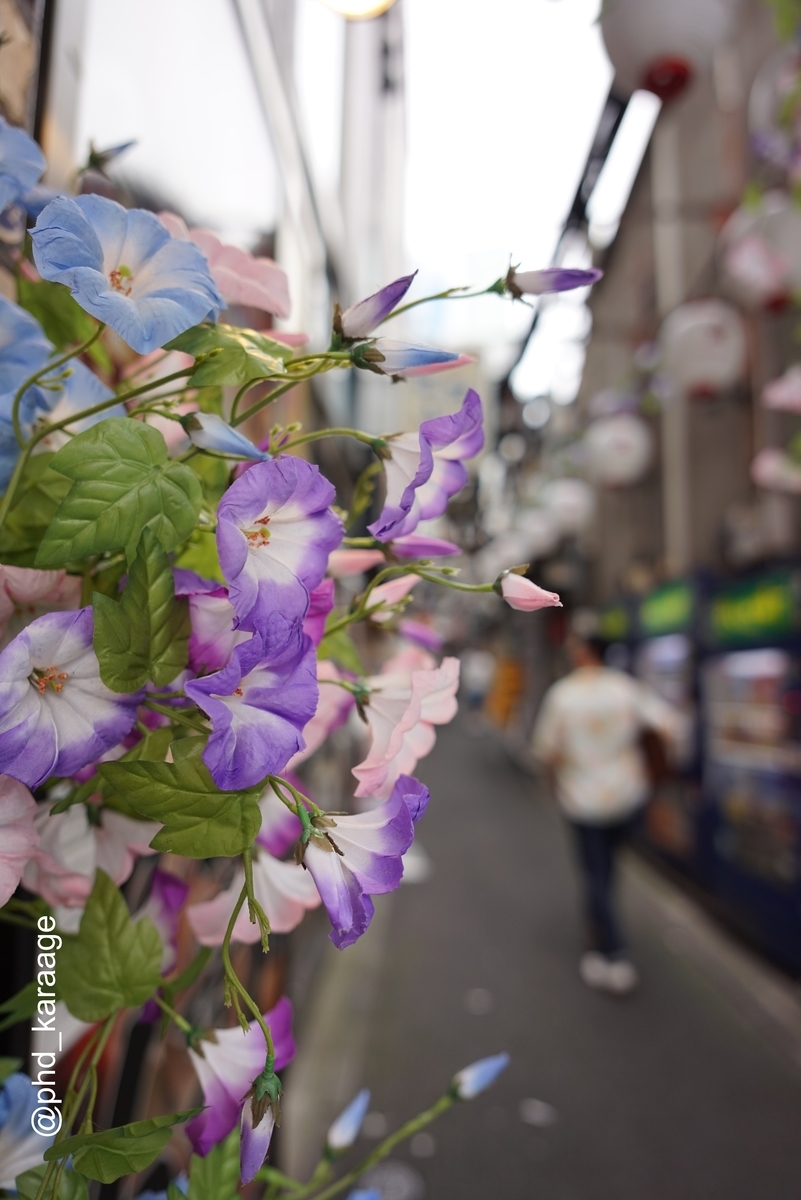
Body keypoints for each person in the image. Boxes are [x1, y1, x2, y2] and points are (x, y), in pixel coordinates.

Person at [532, 629, 683, 996]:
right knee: (608, 869)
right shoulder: (624, 688)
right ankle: (600, 933)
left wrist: (553, 784)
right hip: (627, 795)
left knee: (595, 873)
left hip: (582, 799)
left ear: (584, 653)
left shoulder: (564, 695)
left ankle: (614, 952)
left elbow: (545, 750)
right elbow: (669, 725)